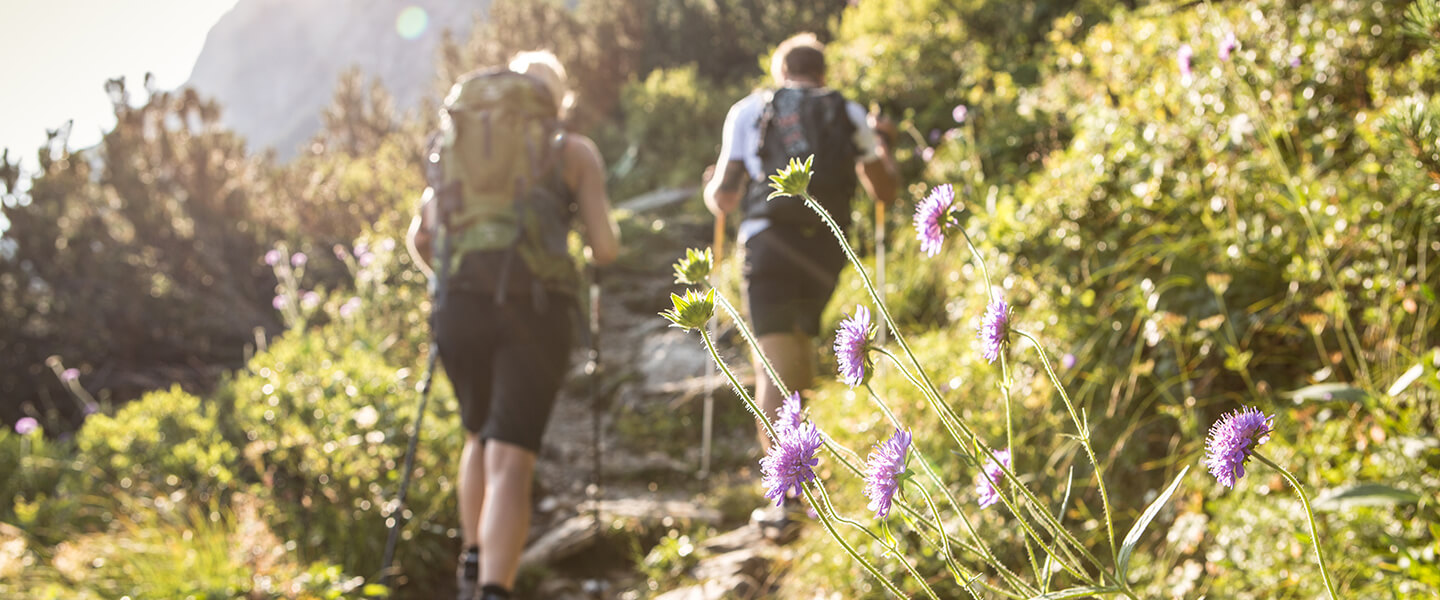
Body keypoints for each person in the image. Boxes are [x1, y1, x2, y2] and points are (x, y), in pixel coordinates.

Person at [407, 50, 619, 600]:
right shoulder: (572, 151)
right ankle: (493, 590)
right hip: (535, 310)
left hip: (458, 306)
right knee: (511, 455)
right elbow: (605, 247)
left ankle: (471, 565)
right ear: (557, 100)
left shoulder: (463, 146)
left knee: (477, 435)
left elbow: (423, 236)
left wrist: (459, 280)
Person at [702, 33, 898, 533]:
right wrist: (886, 145)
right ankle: (802, 481)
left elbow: (724, 198)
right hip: (825, 247)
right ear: (822, 73)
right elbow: (885, 189)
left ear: (781, 71)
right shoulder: (847, 111)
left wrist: (712, 185)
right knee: (799, 350)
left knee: (772, 363)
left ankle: (786, 499)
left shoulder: (751, 110)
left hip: (769, 242)